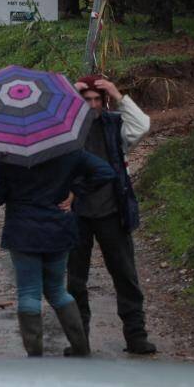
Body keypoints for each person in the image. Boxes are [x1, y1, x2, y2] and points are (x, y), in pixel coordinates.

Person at [0, 149, 116, 357]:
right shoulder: (68, 151)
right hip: (58, 229)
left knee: (29, 292)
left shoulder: (9, 157)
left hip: (23, 233)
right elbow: (105, 172)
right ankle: (81, 348)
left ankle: (35, 355)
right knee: (57, 290)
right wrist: (76, 191)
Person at [67, 76, 155, 355]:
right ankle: (79, 341)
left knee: (125, 276)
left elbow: (143, 126)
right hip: (76, 213)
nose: (93, 105)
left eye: (97, 99)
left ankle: (136, 336)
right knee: (75, 282)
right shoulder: (67, 131)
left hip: (112, 211)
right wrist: (71, 95)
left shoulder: (115, 125)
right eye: (87, 100)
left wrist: (117, 93)